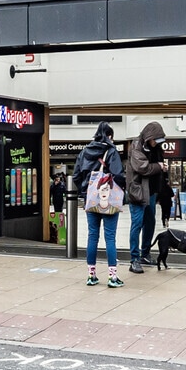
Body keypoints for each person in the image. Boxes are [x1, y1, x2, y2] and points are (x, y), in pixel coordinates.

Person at [69, 122, 126, 288]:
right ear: (109, 136)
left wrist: (86, 191)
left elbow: (76, 176)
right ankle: (112, 277)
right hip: (108, 198)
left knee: (92, 236)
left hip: (91, 198)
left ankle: (91, 275)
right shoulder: (112, 151)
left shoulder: (85, 151)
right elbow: (118, 175)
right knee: (110, 237)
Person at [122, 121, 166, 274]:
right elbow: (143, 168)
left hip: (151, 192)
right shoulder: (136, 147)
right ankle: (134, 259)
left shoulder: (156, 149)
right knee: (137, 224)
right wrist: (159, 167)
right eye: (155, 140)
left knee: (150, 222)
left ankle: (145, 254)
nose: (156, 144)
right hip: (138, 192)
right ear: (149, 137)